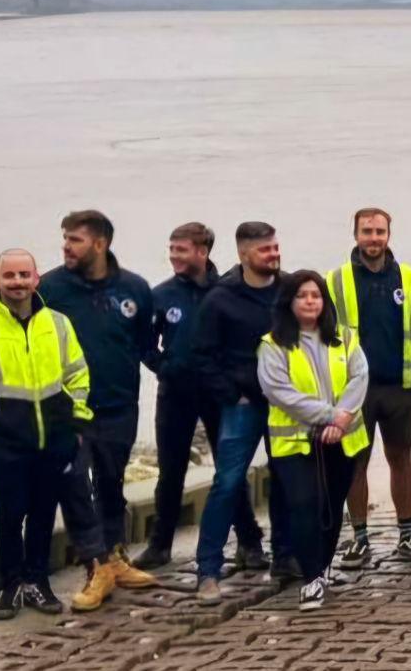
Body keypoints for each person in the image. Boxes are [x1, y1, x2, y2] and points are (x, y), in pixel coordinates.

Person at [0, 249, 92, 620]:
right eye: (9, 275)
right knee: (10, 519)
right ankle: (10, 586)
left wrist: (76, 424)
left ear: (37, 279)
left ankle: (38, 583)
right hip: (6, 445)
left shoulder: (59, 324)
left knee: (44, 515)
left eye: (24, 275)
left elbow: (78, 375)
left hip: (54, 440)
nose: (17, 282)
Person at [38, 210, 159, 605]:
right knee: (75, 487)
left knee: (111, 483)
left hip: (119, 405)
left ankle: (114, 556)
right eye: (65, 239)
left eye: (75, 239)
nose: (66, 247)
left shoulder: (135, 289)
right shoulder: (50, 289)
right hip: (69, 410)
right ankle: (95, 567)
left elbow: (144, 346)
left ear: (100, 244)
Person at [132, 223, 264, 571]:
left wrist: (235, 382)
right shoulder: (160, 295)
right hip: (175, 394)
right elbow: (144, 343)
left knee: (230, 470)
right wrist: (165, 367)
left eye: (181, 250)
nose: (174, 256)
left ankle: (249, 542)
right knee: (170, 472)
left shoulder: (227, 292)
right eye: (172, 249)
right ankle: (160, 545)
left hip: (220, 394)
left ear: (202, 252)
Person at [258, 271, 369, 611]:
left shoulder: (344, 338)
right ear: (289, 302)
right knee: (304, 506)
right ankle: (310, 578)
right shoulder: (273, 344)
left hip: (342, 438)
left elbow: (359, 376)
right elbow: (279, 392)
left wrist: (342, 417)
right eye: (302, 295)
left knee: (332, 507)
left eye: (316, 295)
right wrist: (327, 416)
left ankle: (322, 567)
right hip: (295, 443)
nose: (310, 301)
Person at [193, 222, 292, 604]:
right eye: (265, 249)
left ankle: (285, 557)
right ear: (244, 255)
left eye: (275, 246)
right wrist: (231, 394)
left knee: (286, 480)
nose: (273, 254)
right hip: (243, 406)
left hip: (284, 404)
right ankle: (207, 571)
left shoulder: (288, 289)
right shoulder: (221, 299)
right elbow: (202, 355)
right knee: (228, 483)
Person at [330, 208, 411, 568]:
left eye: (379, 231)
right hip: (354, 392)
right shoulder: (335, 281)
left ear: (390, 234)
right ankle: (359, 538)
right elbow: (325, 339)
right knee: (355, 463)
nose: (373, 238)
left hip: (399, 388)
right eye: (366, 231)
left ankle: (407, 533)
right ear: (355, 234)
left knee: (400, 459)